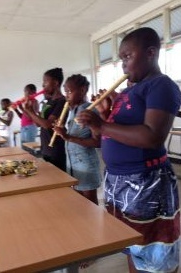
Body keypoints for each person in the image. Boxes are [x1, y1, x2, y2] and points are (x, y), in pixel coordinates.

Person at [77, 27, 181, 273]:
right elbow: (104, 137)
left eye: (127, 56)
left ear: (150, 53)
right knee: (131, 242)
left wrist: (101, 124)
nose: (122, 65)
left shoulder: (160, 85)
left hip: (146, 181)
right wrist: (101, 118)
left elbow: (152, 136)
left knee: (155, 250)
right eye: (121, 58)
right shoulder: (126, 92)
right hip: (117, 181)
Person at [54, 74, 101, 204]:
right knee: (78, 202)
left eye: (69, 91)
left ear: (82, 90)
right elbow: (74, 133)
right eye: (65, 92)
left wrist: (67, 136)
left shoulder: (89, 110)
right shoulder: (71, 110)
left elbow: (97, 142)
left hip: (85, 164)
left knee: (90, 203)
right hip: (72, 163)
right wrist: (62, 128)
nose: (66, 95)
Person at [24, 68, 66, 171]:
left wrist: (29, 111)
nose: (43, 85)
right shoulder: (49, 101)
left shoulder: (61, 101)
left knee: (58, 181)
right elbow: (39, 124)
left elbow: (48, 124)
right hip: (46, 147)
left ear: (55, 83)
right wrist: (30, 110)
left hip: (56, 148)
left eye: (45, 81)